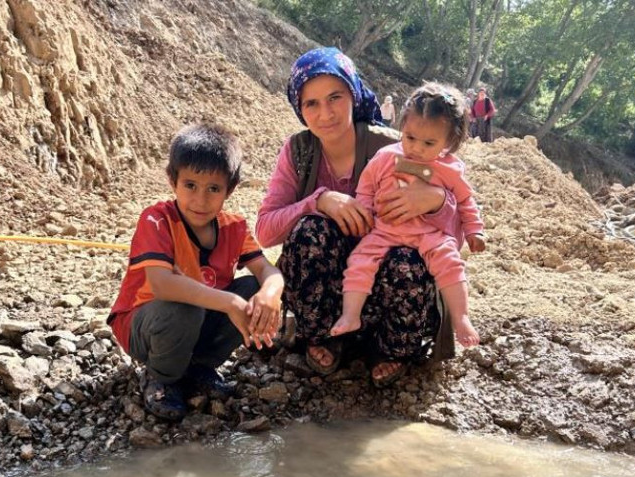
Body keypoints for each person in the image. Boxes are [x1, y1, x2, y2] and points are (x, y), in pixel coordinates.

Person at [256, 47, 460, 388]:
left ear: (353, 94)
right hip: (331, 295)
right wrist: (319, 201)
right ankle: (324, 337)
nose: (325, 113)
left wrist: (436, 199)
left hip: (388, 290)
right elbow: (265, 230)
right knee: (310, 230)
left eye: (335, 97)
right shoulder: (299, 152)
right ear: (299, 108)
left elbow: (457, 235)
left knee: (408, 258)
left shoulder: (397, 148)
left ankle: (389, 348)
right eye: (312, 104)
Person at [108, 124, 283, 420]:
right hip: (145, 324)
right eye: (190, 185)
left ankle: (199, 366)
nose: (201, 200)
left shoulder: (233, 226)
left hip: (195, 320)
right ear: (172, 181)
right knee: (185, 308)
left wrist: (270, 294)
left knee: (252, 287)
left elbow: (267, 270)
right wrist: (230, 303)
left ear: (230, 189)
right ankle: (161, 376)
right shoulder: (157, 220)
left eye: (213, 189)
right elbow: (162, 285)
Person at [330, 82, 486, 348]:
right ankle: (350, 315)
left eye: (429, 143)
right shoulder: (384, 157)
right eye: (410, 137)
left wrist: (474, 230)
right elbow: (366, 188)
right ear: (402, 126)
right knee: (360, 260)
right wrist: (365, 214)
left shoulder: (449, 168)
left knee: (450, 264)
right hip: (384, 230)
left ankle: (461, 318)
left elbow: (465, 201)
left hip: (430, 234)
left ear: (449, 142)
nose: (416, 148)